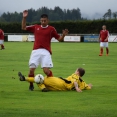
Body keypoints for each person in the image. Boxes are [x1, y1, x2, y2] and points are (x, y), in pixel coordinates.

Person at [21, 10, 69, 91]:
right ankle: (31, 85)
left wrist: (63, 35)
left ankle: (52, 85)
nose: (43, 22)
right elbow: (23, 27)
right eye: (42, 21)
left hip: (46, 52)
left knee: (46, 71)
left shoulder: (51, 29)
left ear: (48, 21)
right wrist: (24, 18)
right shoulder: (36, 27)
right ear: (40, 21)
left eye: (45, 21)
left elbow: (59, 39)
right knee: (31, 70)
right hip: (35, 51)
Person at [18, 68, 92, 92]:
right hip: (60, 88)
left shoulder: (75, 76)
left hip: (60, 82)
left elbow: (75, 81)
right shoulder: (83, 83)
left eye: (76, 70)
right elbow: (88, 87)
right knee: (41, 82)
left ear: (78, 72)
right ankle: (43, 88)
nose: (75, 71)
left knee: (40, 78)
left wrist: (76, 88)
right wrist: (89, 86)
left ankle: (24, 78)